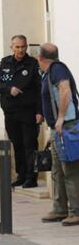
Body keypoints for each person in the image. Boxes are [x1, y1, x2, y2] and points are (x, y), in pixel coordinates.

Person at [0, 35, 43, 188]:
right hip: (11, 113)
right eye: (17, 47)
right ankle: (21, 175)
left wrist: (40, 112)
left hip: (28, 112)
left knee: (30, 145)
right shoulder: (5, 63)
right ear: (12, 47)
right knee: (17, 145)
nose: (21, 50)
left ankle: (31, 178)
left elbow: (40, 90)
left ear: (26, 47)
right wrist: (9, 89)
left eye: (23, 47)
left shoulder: (33, 64)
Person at [38, 43, 79, 226]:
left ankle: (76, 211)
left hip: (67, 128)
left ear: (40, 58)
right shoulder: (50, 72)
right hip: (58, 129)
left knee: (69, 170)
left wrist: (61, 119)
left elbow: (65, 90)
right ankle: (59, 208)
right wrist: (52, 129)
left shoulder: (57, 69)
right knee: (57, 171)